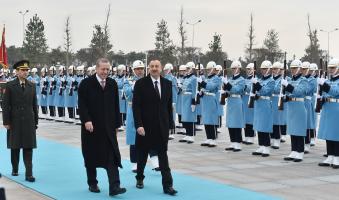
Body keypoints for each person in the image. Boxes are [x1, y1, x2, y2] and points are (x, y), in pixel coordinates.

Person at [78, 58, 126, 196]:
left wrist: (117, 124)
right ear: (97, 68)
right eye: (103, 69)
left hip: (108, 127)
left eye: (107, 69)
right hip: (91, 127)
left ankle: (114, 186)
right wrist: (86, 120)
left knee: (112, 156)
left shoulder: (112, 84)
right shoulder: (86, 84)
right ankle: (92, 183)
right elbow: (82, 105)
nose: (105, 72)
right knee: (91, 155)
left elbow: (116, 105)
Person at [132, 59, 177, 196]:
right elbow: (136, 107)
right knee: (142, 155)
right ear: (149, 68)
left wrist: (170, 123)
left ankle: (167, 185)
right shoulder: (140, 84)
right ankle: (140, 178)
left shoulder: (167, 84)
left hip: (161, 128)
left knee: (163, 157)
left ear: (161, 67)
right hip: (145, 127)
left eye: (157, 66)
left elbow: (168, 106)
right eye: (152, 66)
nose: (154, 68)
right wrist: (138, 125)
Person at [2, 60, 38, 182]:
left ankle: (29, 174)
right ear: (17, 72)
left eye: (27, 70)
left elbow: (34, 105)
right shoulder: (10, 85)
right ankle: (15, 168)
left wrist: (36, 121)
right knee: (15, 147)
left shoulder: (32, 85)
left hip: (28, 120)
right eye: (22, 70)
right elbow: (6, 105)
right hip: (15, 120)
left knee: (28, 147)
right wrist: (6, 121)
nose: (25, 72)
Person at [282, 59, 308, 162]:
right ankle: (294, 150)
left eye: (294, 68)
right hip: (291, 106)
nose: (292, 70)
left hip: (299, 106)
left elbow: (299, 91)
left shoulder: (303, 80)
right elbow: (290, 93)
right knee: (292, 129)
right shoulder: (291, 80)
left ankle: (300, 152)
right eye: (291, 68)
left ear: (300, 69)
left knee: (299, 129)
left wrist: (287, 86)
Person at [317, 58, 339, 168]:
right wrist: (320, 96)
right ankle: (330, 155)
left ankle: (337, 157)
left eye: (333, 67)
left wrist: (324, 85)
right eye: (330, 67)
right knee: (328, 133)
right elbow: (326, 93)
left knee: (336, 133)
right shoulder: (329, 80)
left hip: (336, 108)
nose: (331, 70)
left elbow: (335, 92)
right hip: (328, 108)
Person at [251, 60, 275, 157]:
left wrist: (256, 84)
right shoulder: (260, 80)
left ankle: (266, 147)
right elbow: (258, 91)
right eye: (262, 69)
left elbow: (265, 91)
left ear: (269, 69)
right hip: (259, 103)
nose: (263, 71)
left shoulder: (271, 81)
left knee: (265, 125)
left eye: (265, 69)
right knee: (259, 125)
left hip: (265, 103)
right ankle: (261, 145)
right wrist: (255, 94)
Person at [223, 60, 246, 152]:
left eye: (235, 68)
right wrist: (224, 92)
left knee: (236, 122)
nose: (233, 70)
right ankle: (232, 142)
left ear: (239, 69)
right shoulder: (231, 79)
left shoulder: (242, 80)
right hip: (230, 101)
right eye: (232, 68)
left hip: (237, 101)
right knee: (230, 122)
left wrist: (227, 84)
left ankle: (238, 143)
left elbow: (237, 90)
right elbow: (229, 90)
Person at [198, 61, 221, 147]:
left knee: (212, 119)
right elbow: (205, 88)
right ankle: (209, 138)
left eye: (209, 69)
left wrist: (203, 83)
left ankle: (213, 139)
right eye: (207, 69)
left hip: (211, 99)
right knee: (206, 119)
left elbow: (211, 87)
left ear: (214, 69)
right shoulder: (207, 78)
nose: (208, 71)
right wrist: (201, 92)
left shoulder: (216, 78)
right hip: (205, 100)